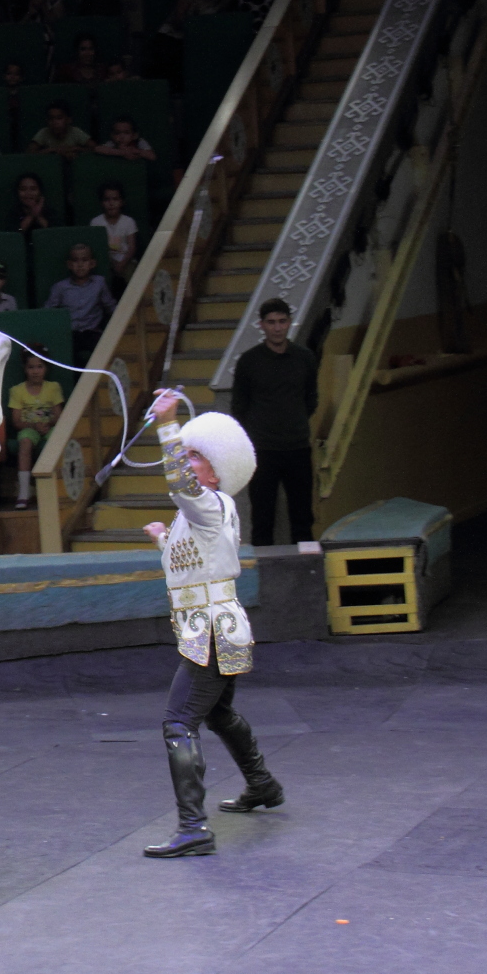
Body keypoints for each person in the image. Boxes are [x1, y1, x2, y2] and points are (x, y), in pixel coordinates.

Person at [140, 390, 281, 858]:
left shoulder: (209, 503)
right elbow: (194, 566)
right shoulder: (195, 516)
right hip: (216, 627)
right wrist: (163, 540)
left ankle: (194, 826)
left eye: (196, 455)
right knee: (217, 713)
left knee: (179, 722)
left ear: (216, 472)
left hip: (211, 632)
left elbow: (179, 483)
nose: (187, 460)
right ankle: (261, 784)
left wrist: (167, 426)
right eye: (188, 453)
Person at [231, 298, 319, 546]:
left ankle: (306, 572)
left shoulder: (304, 358)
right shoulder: (249, 361)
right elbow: (240, 406)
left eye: (282, 321)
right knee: (262, 517)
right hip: (262, 451)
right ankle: (262, 577)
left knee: (303, 517)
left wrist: (295, 421)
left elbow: (311, 399)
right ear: (261, 325)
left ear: (290, 323)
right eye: (271, 322)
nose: (277, 328)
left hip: (298, 447)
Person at [9, 349, 64, 508]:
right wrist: (34, 426)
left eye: (39, 367)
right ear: (25, 369)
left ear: (46, 368)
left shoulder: (53, 388)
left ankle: (56, 490)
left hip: (49, 428)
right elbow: (17, 421)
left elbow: (58, 416)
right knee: (25, 443)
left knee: (56, 442)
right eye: (31, 367)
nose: (35, 371)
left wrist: (47, 425)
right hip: (29, 428)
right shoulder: (17, 390)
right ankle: (24, 492)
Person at [44, 243, 116, 365]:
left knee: (106, 350)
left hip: (92, 332)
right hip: (70, 334)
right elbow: (48, 312)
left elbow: (111, 307)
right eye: (75, 261)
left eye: (85, 260)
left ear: (92, 263)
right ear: (69, 265)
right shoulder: (60, 287)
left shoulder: (99, 283)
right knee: (63, 354)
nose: (80, 265)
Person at [93, 184, 140, 283]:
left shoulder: (128, 221)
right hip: (105, 262)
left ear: (122, 202)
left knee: (134, 277)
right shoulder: (96, 222)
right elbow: (97, 248)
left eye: (115, 199)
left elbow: (132, 247)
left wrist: (122, 264)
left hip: (126, 260)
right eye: (107, 200)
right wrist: (112, 263)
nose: (111, 203)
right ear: (102, 202)